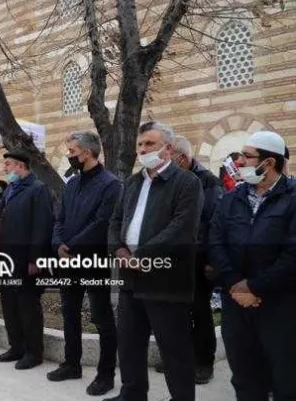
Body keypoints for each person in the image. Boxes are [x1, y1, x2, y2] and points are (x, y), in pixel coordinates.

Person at [106, 121, 204, 401]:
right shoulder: (132, 183)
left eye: (149, 143)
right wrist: (120, 252)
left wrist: (143, 255)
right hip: (130, 278)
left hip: (165, 280)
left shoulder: (187, 182)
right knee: (129, 343)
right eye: (139, 144)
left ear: (168, 148)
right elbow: (114, 221)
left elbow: (182, 227)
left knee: (174, 348)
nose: (142, 149)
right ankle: (132, 393)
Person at [209, 130, 296, 401]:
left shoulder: (292, 198)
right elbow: (215, 241)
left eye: (246, 156)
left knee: (286, 375)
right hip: (236, 302)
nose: (239, 162)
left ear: (268, 163)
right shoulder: (231, 198)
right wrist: (236, 284)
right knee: (244, 374)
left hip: (279, 304)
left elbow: (292, 255)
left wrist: (255, 287)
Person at [49, 132, 119, 396]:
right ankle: (71, 363)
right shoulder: (72, 184)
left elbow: (101, 224)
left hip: (93, 261)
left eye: (72, 151)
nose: (69, 156)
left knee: (102, 317)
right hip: (68, 261)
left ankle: (106, 374)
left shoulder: (111, 184)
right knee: (69, 313)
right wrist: (58, 244)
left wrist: (71, 246)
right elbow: (60, 218)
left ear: (88, 153)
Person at [164, 135, 223, 384]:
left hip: (198, 262)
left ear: (183, 158)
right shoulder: (172, 182)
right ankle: (182, 358)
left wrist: (210, 260)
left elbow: (213, 225)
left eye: (171, 159)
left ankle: (203, 362)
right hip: (175, 260)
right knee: (177, 312)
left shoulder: (209, 183)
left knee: (199, 311)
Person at [0, 150, 54, 371]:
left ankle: (33, 352)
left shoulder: (37, 190)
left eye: (7, 164)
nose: (4, 169)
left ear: (20, 166)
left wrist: (36, 259)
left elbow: (42, 226)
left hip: (25, 261)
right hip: (5, 260)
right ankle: (16, 346)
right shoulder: (12, 189)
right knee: (9, 304)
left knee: (27, 307)